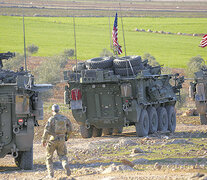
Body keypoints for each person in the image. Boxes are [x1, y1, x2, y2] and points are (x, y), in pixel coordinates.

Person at [42, 104, 72, 178]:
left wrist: (44, 140)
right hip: (62, 139)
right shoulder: (64, 118)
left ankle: (51, 174)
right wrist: (67, 137)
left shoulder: (51, 119)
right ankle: (65, 165)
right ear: (58, 110)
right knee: (62, 155)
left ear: (52, 110)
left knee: (49, 157)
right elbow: (70, 129)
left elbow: (46, 130)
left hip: (52, 140)